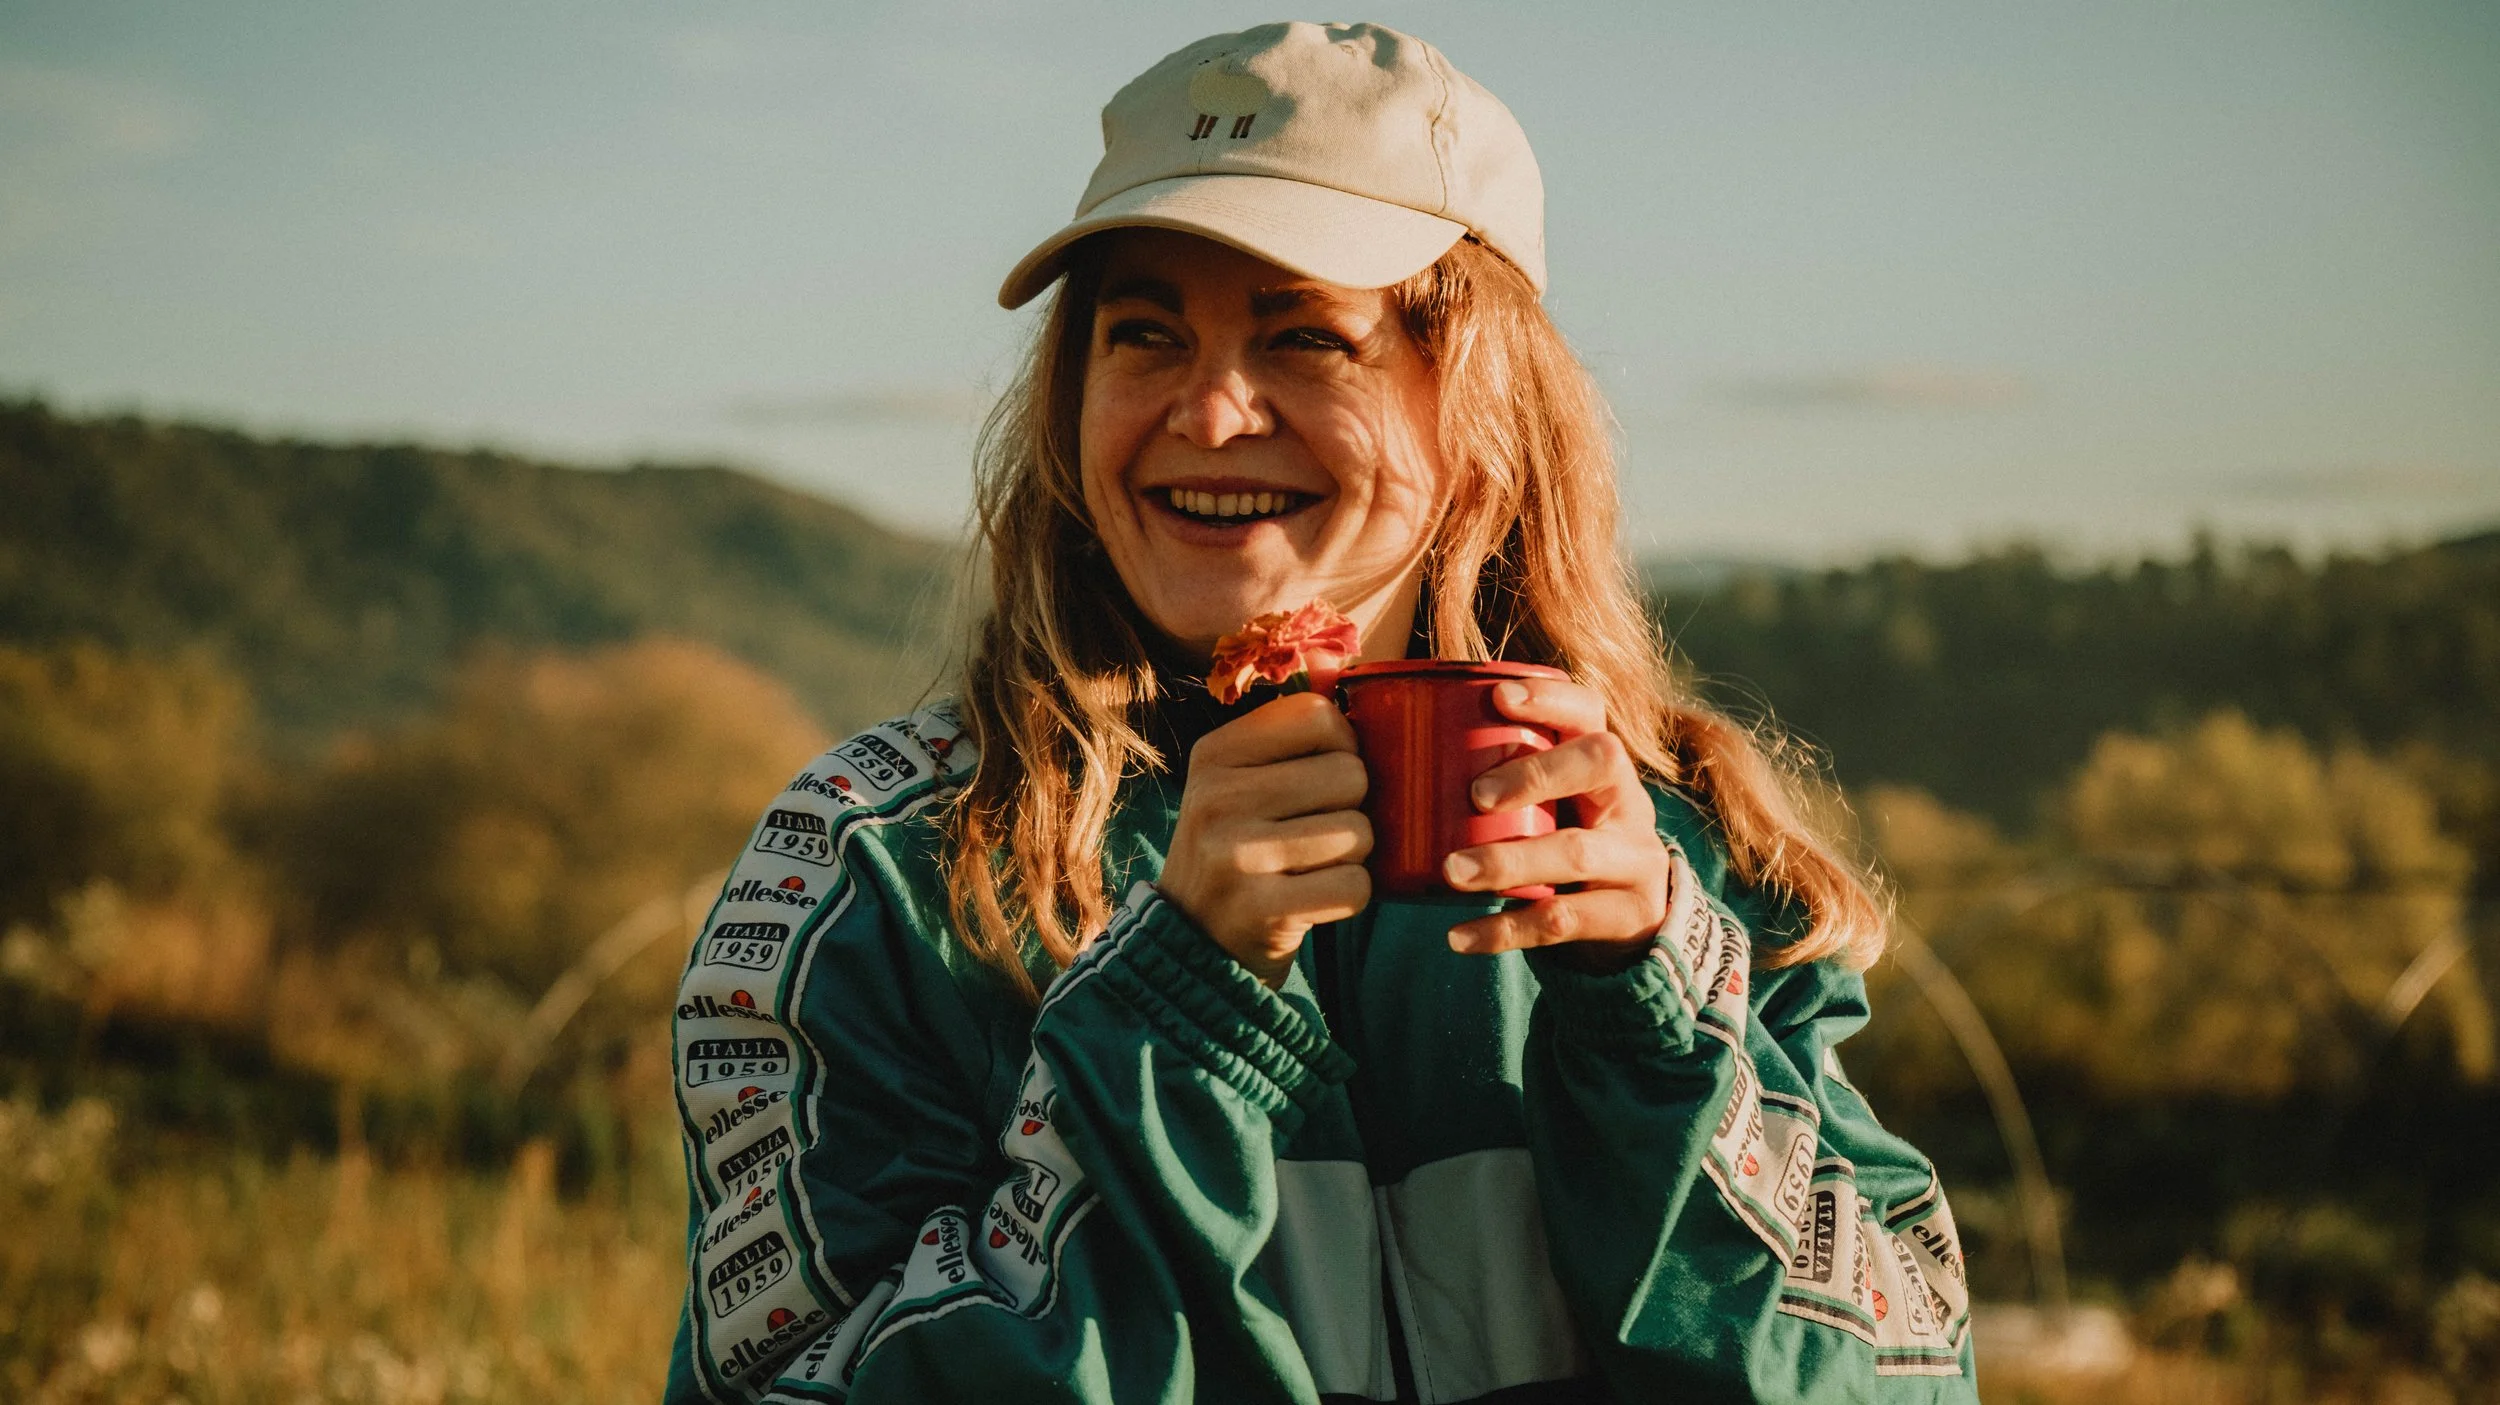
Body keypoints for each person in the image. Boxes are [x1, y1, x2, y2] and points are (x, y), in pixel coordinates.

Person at [665, 20, 1977, 1404]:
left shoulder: (1683, 852)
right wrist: (1173, 1015)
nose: (1212, 412)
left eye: (1305, 336)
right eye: (1145, 334)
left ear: (1477, 400)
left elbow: (1906, 1374)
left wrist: (1655, 1027)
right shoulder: (868, 869)